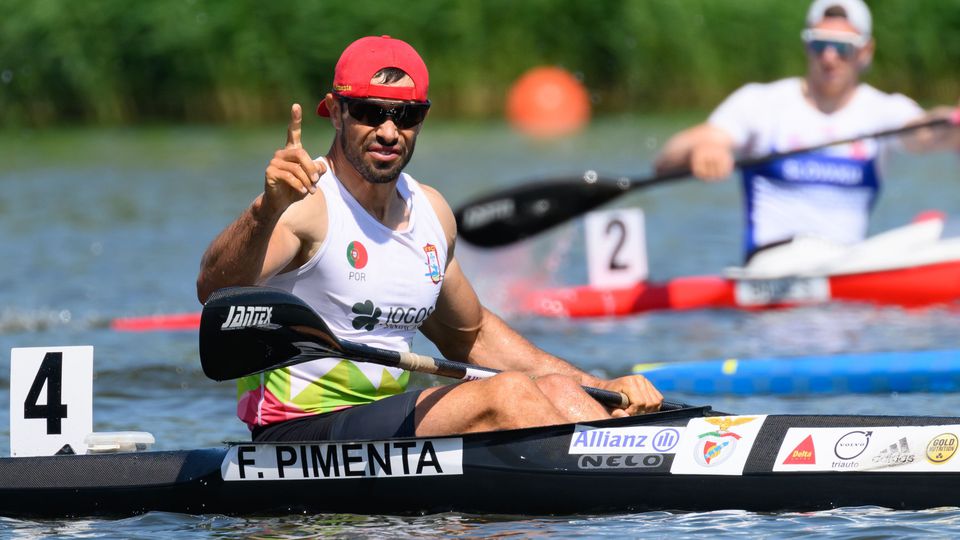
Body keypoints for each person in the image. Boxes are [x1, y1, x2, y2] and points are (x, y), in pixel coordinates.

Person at [196, 35, 663, 442]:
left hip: (383, 431)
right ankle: (602, 484)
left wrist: (602, 387)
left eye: (406, 115)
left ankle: (625, 463)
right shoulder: (307, 204)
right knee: (509, 393)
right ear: (335, 112)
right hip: (300, 431)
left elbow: (473, 336)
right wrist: (265, 209)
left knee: (558, 389)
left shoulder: (432, 213)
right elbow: (214, 289)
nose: (387, 131)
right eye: (369, 112)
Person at [654, 0, 959, 261]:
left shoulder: (883, 110)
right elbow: (673, 153)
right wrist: (706, 149)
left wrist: (954, 120)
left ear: (866, 51)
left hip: (847, 275)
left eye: (843, 48)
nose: (829, 56)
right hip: (770, 274)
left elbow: (927, 132)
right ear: (806, 45)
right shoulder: (763, 102)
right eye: (819, 44)